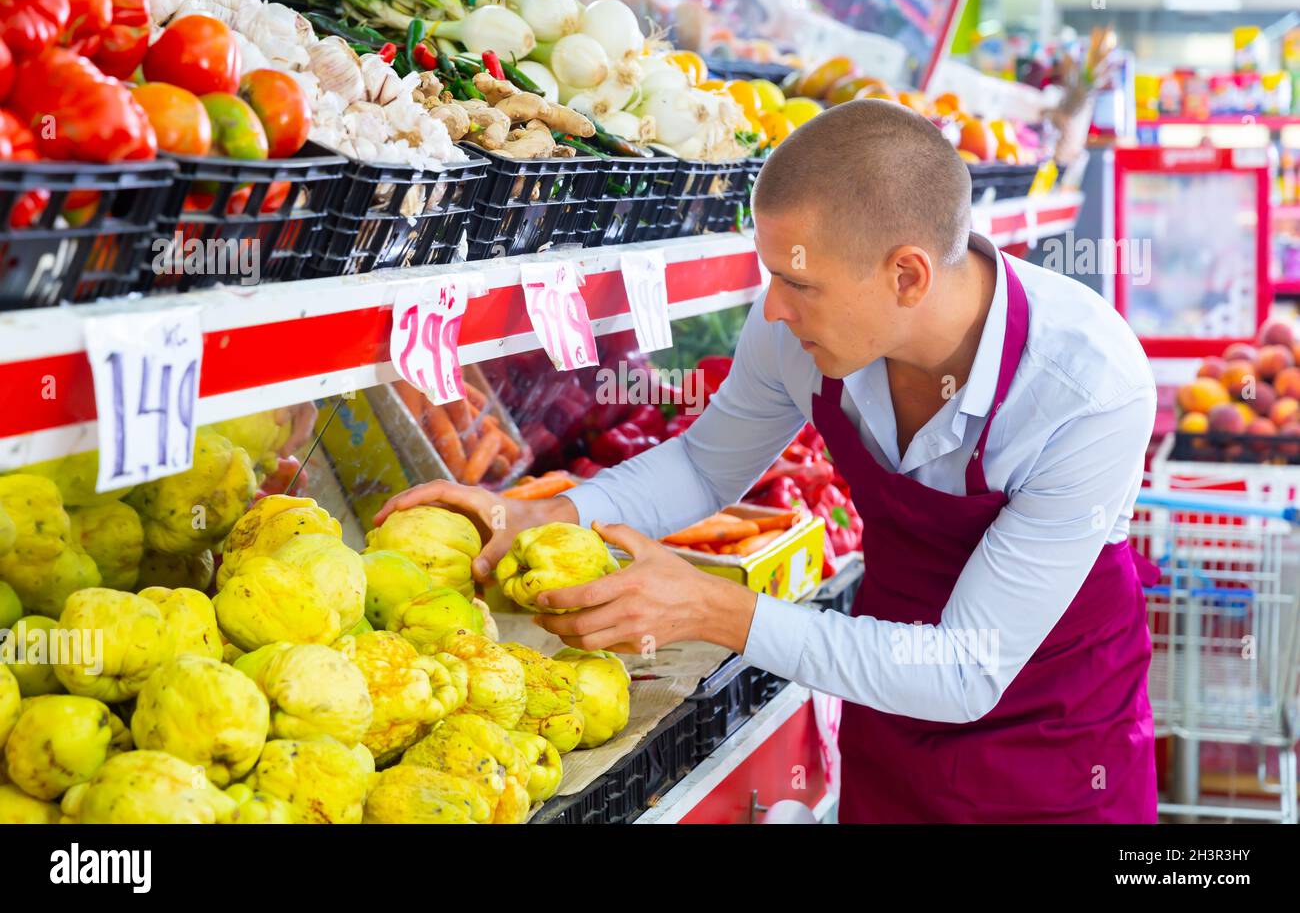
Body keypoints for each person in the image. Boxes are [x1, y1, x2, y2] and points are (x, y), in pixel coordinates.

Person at [376, 99, 1159, 823]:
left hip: (1054, 744)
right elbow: (705, 469)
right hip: (884, 708)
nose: (773, 310)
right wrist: (545, 514)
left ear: (907, 275)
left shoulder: (1087, 390)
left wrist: (711, 609)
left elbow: (964, 672)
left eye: (797, 282)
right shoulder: (797, 331)